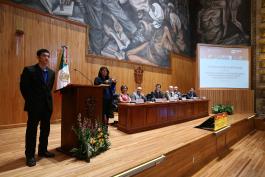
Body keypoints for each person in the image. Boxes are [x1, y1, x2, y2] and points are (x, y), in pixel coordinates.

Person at [20, 49, 55, 167]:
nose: (47, 58)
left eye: (48, 56)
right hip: (34, 106)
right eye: (44, 55)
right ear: (38, 57)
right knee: (32, 131)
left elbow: (48, 89)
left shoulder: (51, 73)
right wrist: (32, 101)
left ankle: (42, 150)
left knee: (45, 129)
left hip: (47, 106)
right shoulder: (29, 70)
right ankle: (30, 155)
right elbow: (23, 88)